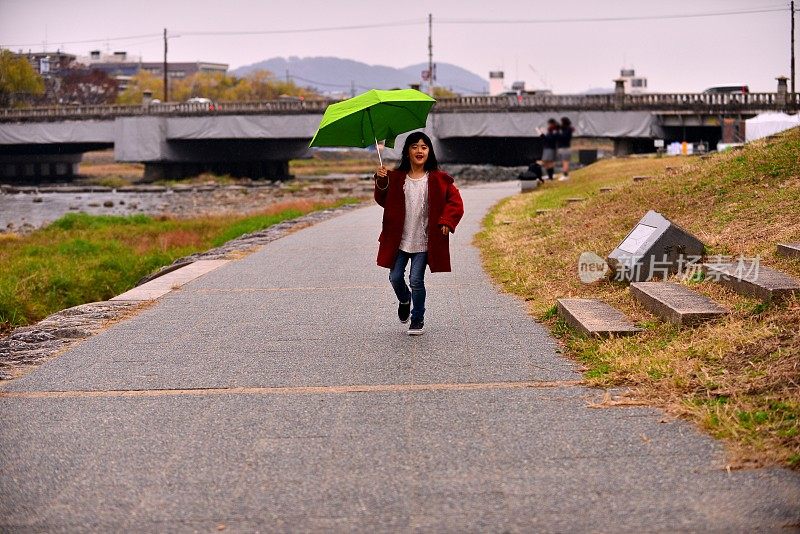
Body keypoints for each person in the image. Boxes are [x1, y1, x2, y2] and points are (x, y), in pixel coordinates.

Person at [374, 132, 464, 336]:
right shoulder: (396, 178)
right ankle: (405, 299)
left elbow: (455, 202)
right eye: (414, 146)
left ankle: (417, 318)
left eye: (424, 147)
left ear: (429, 151)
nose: (419, 150)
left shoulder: (439, 179)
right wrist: (381, 182)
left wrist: (447, 221)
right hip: (400, 239)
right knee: (395, 277)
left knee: (416, 279)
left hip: (424, 240)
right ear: (407, 151)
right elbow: (383, 200)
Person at [557, 116, 575, 181]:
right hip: (563, 148)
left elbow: (563, 137)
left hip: (565, 148)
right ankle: (565, 175)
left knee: (565, 163)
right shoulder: (565, 129)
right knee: (564, 162)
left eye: (561, 122)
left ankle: (566, 176)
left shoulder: (568, 130)